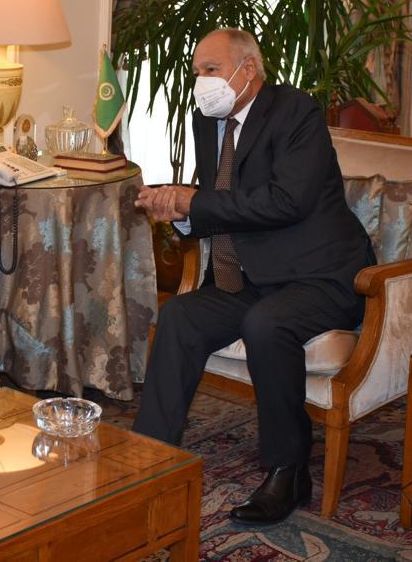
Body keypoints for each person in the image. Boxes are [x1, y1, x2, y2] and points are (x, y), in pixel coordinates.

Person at [132, 28, 375, 525]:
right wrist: (179, 212)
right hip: (252, 276)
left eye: (212, 69)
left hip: (322, 275)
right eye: (197, 72)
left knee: (267, 323)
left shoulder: (296, 113)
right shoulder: (208, 121)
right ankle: (149, 458)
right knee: (179, 316)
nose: (201, 81)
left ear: (248, 69)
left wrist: (195, 202)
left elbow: (287, 201)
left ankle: (289, 472)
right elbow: (220, 200)